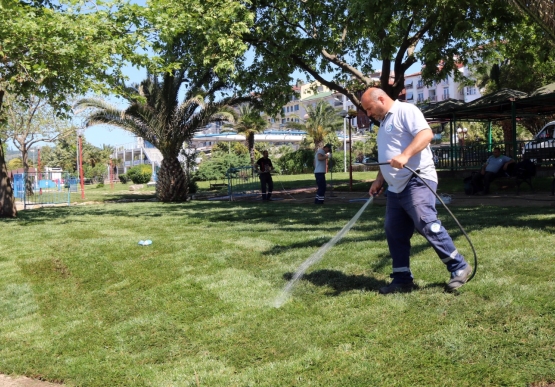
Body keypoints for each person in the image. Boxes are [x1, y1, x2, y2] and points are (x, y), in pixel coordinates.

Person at [361, 87, 472, 294]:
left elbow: (426, 134)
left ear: (382, 99)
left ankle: (459, 266)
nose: (368, 114)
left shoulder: (406, 111)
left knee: (425, 222)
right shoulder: (384, 123)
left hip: (417, 178)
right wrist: (379, 179)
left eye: (369, 108)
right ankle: (402, 279)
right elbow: (389, 153)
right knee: (394, 230)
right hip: (395, 187)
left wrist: (405, 155)